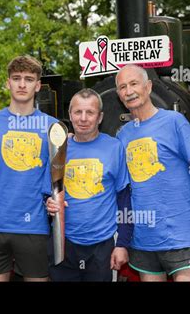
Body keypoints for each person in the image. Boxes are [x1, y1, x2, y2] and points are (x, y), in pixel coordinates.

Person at [115, 64, 190, 281]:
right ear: (118, 94)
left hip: (180, 236)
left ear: (148, 86)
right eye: (123, 87)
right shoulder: (123, 135)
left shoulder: (175, 121)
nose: (129, 91)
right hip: (143, 240)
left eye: (134, 83)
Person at [0, 55, 57, 281]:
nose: (21, 84)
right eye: (16, 78)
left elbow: (57, 180)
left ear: (37, 86)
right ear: (7, 82)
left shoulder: (52, 127)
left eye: (28, 79)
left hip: (35, 228)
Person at [46, 88, 133, 281]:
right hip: (64, 244)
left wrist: (122, 244)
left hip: (102, 246)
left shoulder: (114, 148)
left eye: (90, 112)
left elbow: (124, 198)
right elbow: (49, 192)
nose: (83, 118)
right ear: (70, 115)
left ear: (100, 117)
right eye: (78, 112)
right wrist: (49, 204)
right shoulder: (58, 148)